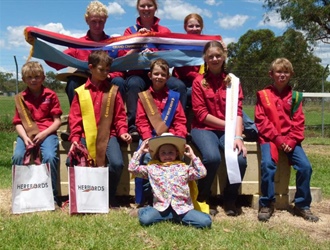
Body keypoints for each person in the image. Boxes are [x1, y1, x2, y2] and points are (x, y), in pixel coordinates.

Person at [172, 13, 258, 141]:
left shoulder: (207, 44)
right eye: (191, 26)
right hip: (189, 84)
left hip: (208, 81)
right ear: (185, 27)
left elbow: (220, 63)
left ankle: (249, 127)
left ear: (202, 27)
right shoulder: (181, 44)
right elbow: (185, 72)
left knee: (228, 96)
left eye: (197, 25)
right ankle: (181, 127)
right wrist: (203, 77)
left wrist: (223, 53)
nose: (194, 28)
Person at [255, 57, 319, 222]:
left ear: (291, 74)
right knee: (268, 165)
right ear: (271, 74)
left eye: (285, 72)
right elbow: (261, 120)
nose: (282, 75)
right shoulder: (263, 95)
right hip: (270, 138)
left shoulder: (296, 97)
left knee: (305, 167)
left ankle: (302, 204)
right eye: (278, 72)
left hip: (291, 140)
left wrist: (290, 141)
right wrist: (277, 139)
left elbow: (299, 122)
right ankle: (267, 203)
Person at [68, 50, 132, 208]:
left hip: (108, 135)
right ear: (91, 67)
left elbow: (119, 116)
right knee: (70, 161)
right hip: (85, 135)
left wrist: (123, 131)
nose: (105, 73)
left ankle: (108, 196)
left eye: (107, 70)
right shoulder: (80, 92)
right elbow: (75, 118)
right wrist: (75, 139)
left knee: (117, 164)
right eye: (101, 69)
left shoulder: (113, 91)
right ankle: (83, 196)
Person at [190, 40, 247, 216]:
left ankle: (230, 199)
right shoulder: (198, 82)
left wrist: (238, 137)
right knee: (212, 158)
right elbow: (201, 114)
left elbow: (238, 111)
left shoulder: (233, 82)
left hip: (228, 131)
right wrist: (228, 126)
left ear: (224, 57)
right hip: (202, 129)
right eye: (210, 56)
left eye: (218, 55)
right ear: (205, 59)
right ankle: (203, 198)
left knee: (240, 160)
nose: (215, 59)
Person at [118, 0, 186, 139]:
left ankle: (180, 128)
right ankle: (133, 128)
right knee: (133, 84)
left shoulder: (164, 31)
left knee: (179, 86)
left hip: (160, 75)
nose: (146, 8)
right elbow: (123, 59)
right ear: (138, 8)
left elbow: (171, 57)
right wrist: (139, 41)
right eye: (143, 5)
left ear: (155, 8)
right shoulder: (130, 31)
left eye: (150, 5)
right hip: (137, 74)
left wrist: (153, 45)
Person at [46, 0, 126, 105]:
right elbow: (59, 62)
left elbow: (123, 67)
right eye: (93, 21)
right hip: (86, 82)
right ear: (87, 20)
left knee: (119, 81)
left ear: (105, 20)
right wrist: (43, 51)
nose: (97, 25)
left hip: (107, 80)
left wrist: (110, 75)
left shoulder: (114, 44)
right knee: (73, 82)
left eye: (101, 21)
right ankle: (78, 118)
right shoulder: (78, 44)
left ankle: (116, 118)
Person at [128, 134, 212, 228]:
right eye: (163, 153)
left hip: (182, 208)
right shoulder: (152, 168)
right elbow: (132, 169)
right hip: (161, 208)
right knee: (145, 220)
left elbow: (202, 173)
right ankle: (144, 211)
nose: (167, 155)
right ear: (158, 155)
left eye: (170, 152)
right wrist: (140, 151)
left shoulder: (184, 167)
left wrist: (193, 157)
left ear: (176, 153)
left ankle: (173, 217)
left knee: (206, 222)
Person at [134, 58, 187, 206]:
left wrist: (178, 138)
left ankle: (175, 198)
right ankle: (144, 200)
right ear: (150, 75)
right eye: (156, 74)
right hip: (149, 136)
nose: (159, 77)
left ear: (168, 77)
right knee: (144, 159)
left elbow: (180, 121)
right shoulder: (143, 97)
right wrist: (148, 140)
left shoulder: (174, 98)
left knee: (178, 161)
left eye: (163, 74)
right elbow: (141, 121)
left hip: (170, 138)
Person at [12, 61, 63, 207]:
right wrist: (25, 138)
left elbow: (57, 121)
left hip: (47, 133)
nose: (33, 80)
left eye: (36, 76)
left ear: (43, 78)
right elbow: (17, 123)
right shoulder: (20, 98)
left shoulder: (51, 95)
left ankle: (51, 195)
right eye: (29, 77)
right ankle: (21, 194)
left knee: (50, 156)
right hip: (26, 135)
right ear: (24, 79)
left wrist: (44, 133)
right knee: (17, 156)